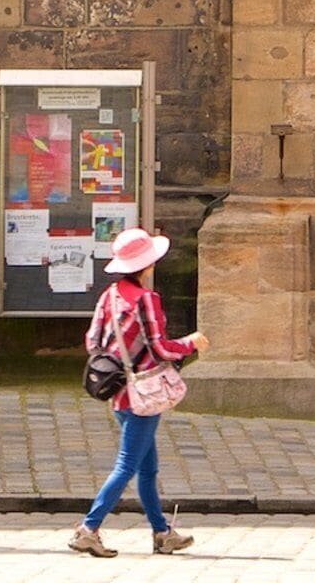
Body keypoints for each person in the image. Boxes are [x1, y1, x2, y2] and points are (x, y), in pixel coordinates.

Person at [70, 228, 203, 558]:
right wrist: (191, 343)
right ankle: (88, 528)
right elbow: (160, 347)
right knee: (128, 467)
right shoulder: (146, 299)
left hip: (119, 393)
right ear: (147, 265)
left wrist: (121, 359)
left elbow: (93, 342)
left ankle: (162, 533)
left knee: (148, 468)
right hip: (144, 394)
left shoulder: (110, 295)